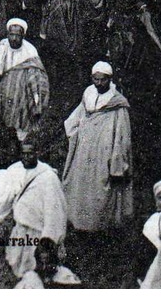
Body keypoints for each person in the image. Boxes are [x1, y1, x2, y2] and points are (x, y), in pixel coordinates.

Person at [0, 140, 68, 279]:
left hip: (38, 230)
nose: (26, 157)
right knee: (18, 262)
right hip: (21, 228)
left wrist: (50, 236)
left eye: (30, 154)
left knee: (40, 266)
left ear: (37, 153)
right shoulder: (16, 169)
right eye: (23, 154)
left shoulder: (48, 177)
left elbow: (55, 209)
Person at [62, 61, 133, 233]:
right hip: (84, 148)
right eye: (95, 79)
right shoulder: (88, 94)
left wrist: (117, 164)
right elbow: (77, 116)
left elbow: (122, 136)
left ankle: (98, 227)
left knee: (100, 187)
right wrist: (76, 132)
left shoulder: (117, 103)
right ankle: (78, 223)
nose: (98, 83)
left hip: (104, 151)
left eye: (102, 80)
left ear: (109, 79)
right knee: (80, 184)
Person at [0, 18, 50, 140]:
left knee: (21, 114)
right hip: (3, 86)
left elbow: (37, 74)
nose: (14, 38)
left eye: (17, 35)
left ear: (23, 35)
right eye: (11, 35)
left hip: (22, 89)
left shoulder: (30, 51)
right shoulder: (3, 46)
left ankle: (20, 140)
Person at [13, 237, 81, 288]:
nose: (45, 266)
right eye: (42, 262)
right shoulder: (32, 276)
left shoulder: (64, 273)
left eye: (48, 261)